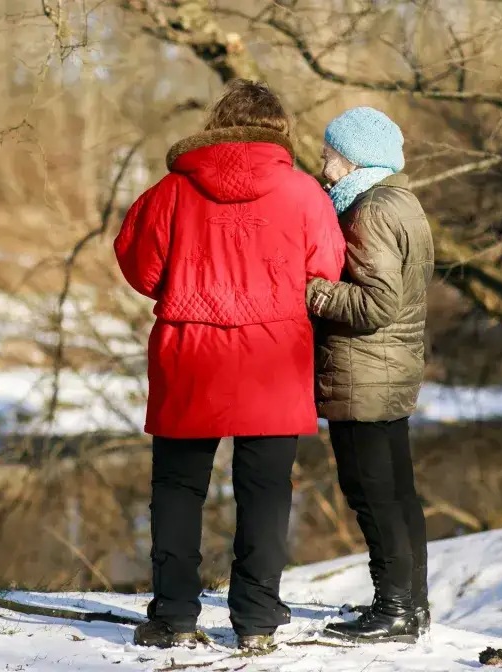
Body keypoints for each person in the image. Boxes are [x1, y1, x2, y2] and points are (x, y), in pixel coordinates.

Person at [114, 79, 346, 650]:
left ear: (218, 123)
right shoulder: (304, 193)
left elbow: (140, 266)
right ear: (281, 131)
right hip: (274, 356)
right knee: (265, 490)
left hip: (190, 351)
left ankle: (171, 616)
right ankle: (257, 618)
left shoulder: (171, 191)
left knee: (176, 486)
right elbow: (328, 266)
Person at [305, 106, 435, 643]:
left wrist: (310, 289)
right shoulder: (403, 200)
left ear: (357, 158)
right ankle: (413, 605)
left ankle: (394, 610)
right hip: (391, 369)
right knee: (398, 492)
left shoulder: (369, 209)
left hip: (365, 372)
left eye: (330, 157)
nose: (325, 168)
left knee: (371, 492)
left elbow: (376, 303)